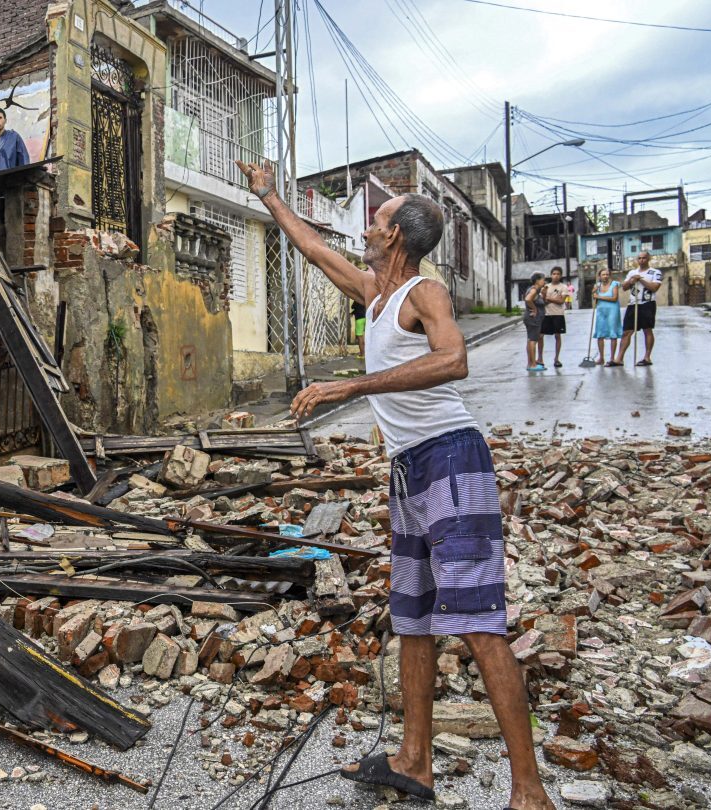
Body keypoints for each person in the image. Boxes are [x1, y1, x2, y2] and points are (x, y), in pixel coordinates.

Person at [236, 159, 555, 810]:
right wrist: (268, 193)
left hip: (454, 465)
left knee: (479, 623)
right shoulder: (374, 292)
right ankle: (414, 762)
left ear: (397, 239)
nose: (365, 228)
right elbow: (311, 246)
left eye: (376, 221)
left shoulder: (423, 294)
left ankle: (529, 793)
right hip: (409, 470)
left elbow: (455, 359)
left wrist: (351, 386)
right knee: (414, 620)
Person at [618, 252, 663, 366]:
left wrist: (641, 280)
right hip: (633, 303)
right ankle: (619, 358)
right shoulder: (632, 272)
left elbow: (654, 287)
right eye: (639, 258)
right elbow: (624, 287)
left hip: (647, 303)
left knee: (647, 329)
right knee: (627, 331)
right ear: (637, 260)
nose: (642, 260)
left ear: (648, 259)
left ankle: (647, 357)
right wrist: (631, 281)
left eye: (644, 258)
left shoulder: (655, 272)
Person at [592, 269, 623, 366]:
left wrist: (599, 297)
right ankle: (601, 357)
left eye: (607, 274)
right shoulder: (597, 286)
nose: (605, 276)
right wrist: (593, 293)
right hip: (601, 311)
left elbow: (614, 298)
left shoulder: (614, 284)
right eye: (603, 274)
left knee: (612, 333)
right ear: (599, 276)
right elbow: (594, 297)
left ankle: (612, 358)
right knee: (600, 333)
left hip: (612, 311)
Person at [540, 267, 567, 367]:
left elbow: (561, 301)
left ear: (560, 275)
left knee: (557, 336)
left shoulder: (563, 287)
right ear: (551, 275)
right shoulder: (545, 287)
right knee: (540, 335)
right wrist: (546, 297)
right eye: (554, 273)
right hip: (546, 314)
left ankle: (556, 358)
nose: (556, 276)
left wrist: (548, 298)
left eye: (558, 274)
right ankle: (540, 358)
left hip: (558, 314)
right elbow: (543, 301)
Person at [523, 273, 546, 372]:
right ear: (537, 280)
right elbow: (528, 299)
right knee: (533, 340)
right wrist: (534, 309)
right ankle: (532, 365)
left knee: (530, 340)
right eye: (542, 280)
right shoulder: (534, 289)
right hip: (533, 318)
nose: (544, 282)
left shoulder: (536, 290)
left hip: (531, 318)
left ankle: (530, 363)